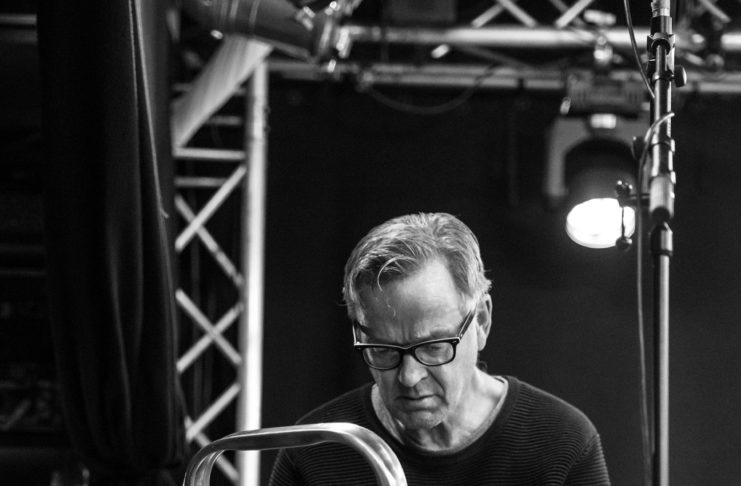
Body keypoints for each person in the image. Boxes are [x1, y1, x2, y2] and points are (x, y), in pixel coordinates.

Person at [269, 212, 610, 485]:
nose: (409, 377)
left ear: (481, 322)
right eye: (383, 349)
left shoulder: (562, 444)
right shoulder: (315, 452)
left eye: (433, 346)